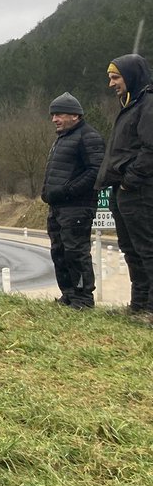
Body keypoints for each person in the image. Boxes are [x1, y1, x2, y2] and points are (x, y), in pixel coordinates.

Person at [95, 54, 153, 316]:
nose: (111, 84)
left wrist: (131, 181)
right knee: (130, 249)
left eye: (115, 77)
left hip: (139, 190)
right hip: (123, 190)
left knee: (146, 249)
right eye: (110, 78)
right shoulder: (130, 104)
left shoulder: (148, 104)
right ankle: (139, 304)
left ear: (131, 76)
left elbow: (150, 149)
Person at [42, 92, 104, 309]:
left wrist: (67, 191)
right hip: (58, 208)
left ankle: (83, 298)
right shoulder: (63, 138)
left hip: (77, 207)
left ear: (75, 115)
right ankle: (68, 294)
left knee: (76, 252)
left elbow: (96, 171)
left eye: (59, 114)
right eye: (53, 115)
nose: (54, 119)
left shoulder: (88, 136)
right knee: (59, 251)